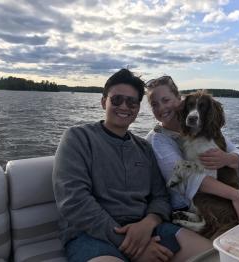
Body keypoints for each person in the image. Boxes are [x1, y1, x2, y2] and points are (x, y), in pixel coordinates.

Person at [52, 69, 212, 262]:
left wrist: (149, 223)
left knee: (215, 256)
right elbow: (74, 200)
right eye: (117, 100)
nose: (124, 106)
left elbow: (160, 196)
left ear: (137, 108)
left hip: (148, 229)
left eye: (132, 102)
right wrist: (130, 243)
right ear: (104, 102)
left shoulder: (144, 148)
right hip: (91, 235)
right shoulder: (78, 138)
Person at [145, 75, 239, 227]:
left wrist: (227, 158)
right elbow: (185, 176)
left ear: (179, 100)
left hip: (222, 192)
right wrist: (236, 195)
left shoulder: (202, 126)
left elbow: (237, 153)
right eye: (154, 104)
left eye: (166, 100)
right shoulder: (158, 139)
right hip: (189, 202)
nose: (161, 107)